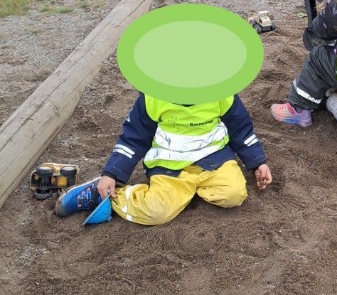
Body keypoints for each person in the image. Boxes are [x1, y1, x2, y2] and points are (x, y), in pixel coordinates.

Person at [55, 93, 272, 225]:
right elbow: (132, 138)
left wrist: (257, 163)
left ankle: (188, 192)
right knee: (156, 213)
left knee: (234, 194)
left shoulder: (222, 92)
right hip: (169, 167)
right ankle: (105, 195)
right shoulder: (153, 97)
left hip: (214, 160)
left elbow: (241, 129)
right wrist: (111, 173)